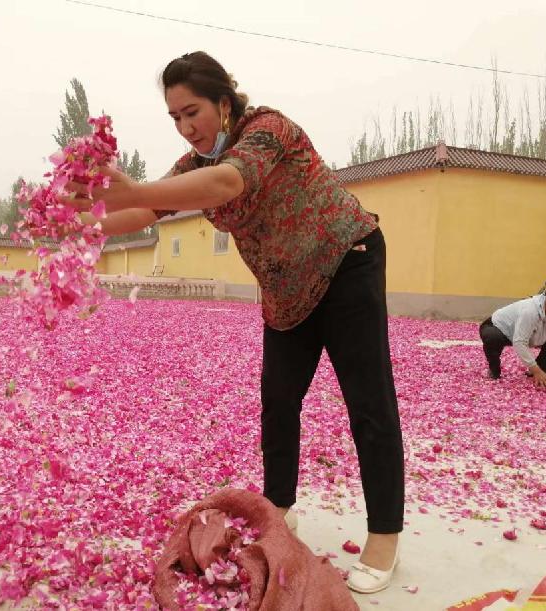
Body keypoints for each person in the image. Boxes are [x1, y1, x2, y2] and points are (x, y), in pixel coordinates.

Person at [68, 51, 404, 594]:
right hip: (287, 286)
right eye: (174, 117)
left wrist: (131, 191)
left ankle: (385, 534)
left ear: (224, 103)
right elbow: (145, 211)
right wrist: (80, 221)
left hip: (346, 260)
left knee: (368, 402)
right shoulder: (192, 165)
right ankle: (278, 509)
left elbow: (227, 185)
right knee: (278, 399)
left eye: (192, 111)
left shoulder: (268, 131)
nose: (185, 126)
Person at [479, 288, 546, 389]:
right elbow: (520, 341)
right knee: (492, 337)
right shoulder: (530, 311)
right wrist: (535, 369)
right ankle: (494, 369)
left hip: (534, 334)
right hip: (499, 329)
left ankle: (542, 371)